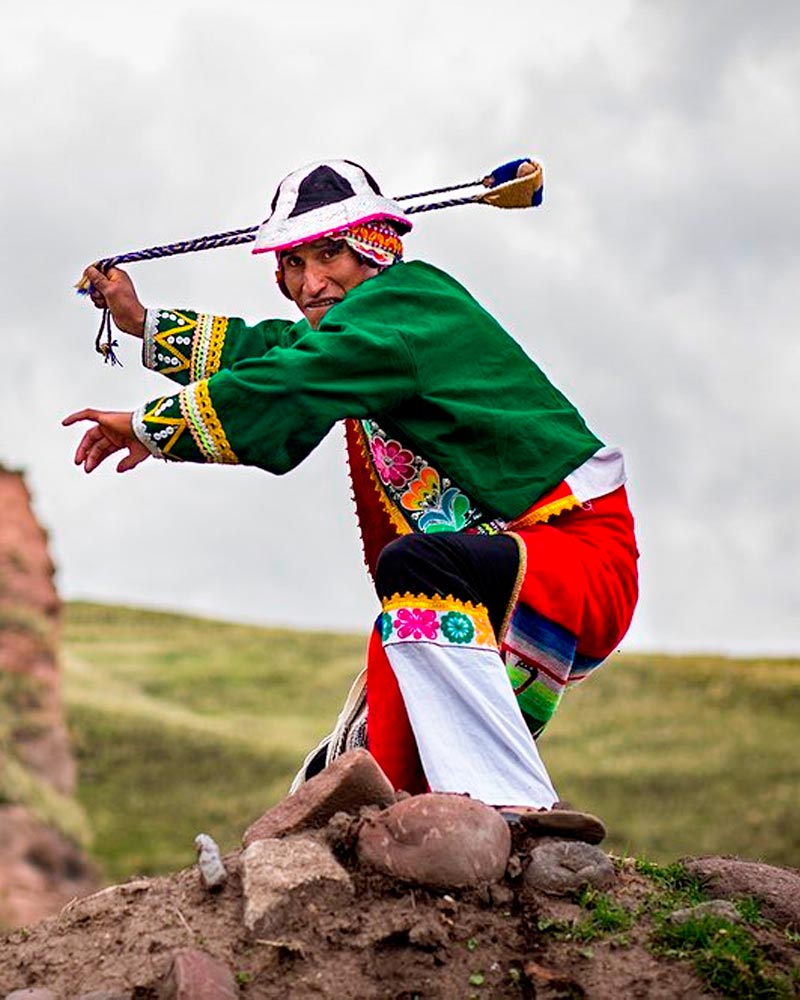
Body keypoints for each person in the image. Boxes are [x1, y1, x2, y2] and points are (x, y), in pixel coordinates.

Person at [64, 159, 639, 829]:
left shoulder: (405, 309)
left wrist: (146, 425)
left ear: (374, 245)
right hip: (496, 567)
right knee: (346, 772)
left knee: (415, 571)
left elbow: (296, 374)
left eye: (329, 254)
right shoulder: (362, 328)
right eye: (293, 263)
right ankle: (428, 824)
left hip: (573, 552)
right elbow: (280, 349)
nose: (311, 283)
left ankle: (509, 804)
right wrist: (141, 322)